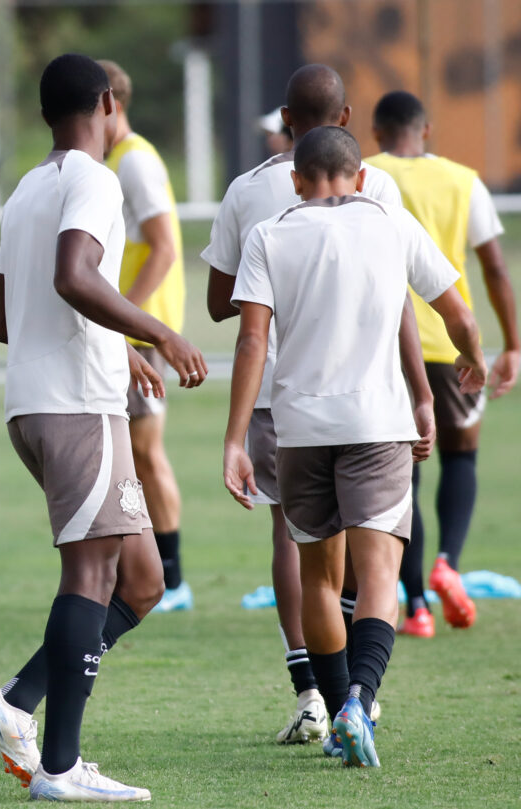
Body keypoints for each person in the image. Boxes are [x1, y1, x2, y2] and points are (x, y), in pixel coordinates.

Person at [0, 54, 207, 802]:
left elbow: (6, 318)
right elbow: (77, 275)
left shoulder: (26, 189)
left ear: (46, 113)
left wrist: (121, 343)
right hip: (77, 406)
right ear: (107, 101)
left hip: (40, 403)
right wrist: (161, 333)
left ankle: (14, 703)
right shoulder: (97, 179)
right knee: (91, 576)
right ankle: (61, 769)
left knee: (141, 581)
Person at [223, 126, 485, 767]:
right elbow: (455, 311)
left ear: (296, 180)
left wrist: (234, 439)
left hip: (300, 430)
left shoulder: (269, 234)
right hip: (377, 423)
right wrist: (473, 357)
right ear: (361, 177)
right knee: (377, 579)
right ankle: (358, 704)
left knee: (320, 577)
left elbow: (252, 341)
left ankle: (340, 707)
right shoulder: (390, 223)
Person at [202, 64, 431, 745]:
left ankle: (314, 692)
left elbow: (226, 308)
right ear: (348, 118)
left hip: (280, 395)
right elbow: (404, 302)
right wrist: (422, 391)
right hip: (371, 394)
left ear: (285, 121)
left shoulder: (249, 191)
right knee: (373, 554)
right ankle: (361, 691)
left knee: (300, 550)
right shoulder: (377, 184)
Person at [368, 91, 520, 636]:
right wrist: (512, 344)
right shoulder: (463, 180)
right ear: (426, 130)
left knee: (401, 474)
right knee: (461, 460)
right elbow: (496, 268)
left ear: (376, 130)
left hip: (390, 346)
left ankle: (416, 606)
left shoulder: (364, 174)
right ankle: (447, 563)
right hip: (456, 345)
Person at [97, 59, 191, 612]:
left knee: (146, 454)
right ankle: (150, 571)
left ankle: (173, 579)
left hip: (142, 333)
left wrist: (123, 318)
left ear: (110, 102)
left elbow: (164, 245)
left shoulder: (134, 162)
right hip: (134, 330)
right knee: (132, 451)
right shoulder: (119, 160)